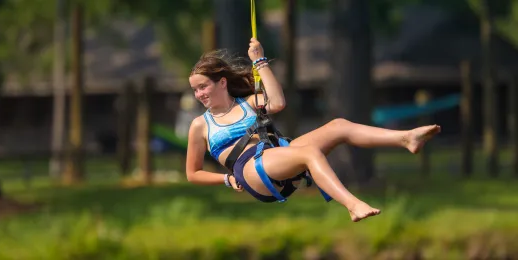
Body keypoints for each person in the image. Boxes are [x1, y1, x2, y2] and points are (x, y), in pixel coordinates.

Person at [185, 38, 441, 222]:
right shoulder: (200, 125)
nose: (199, 95)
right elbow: (192, 173)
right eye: (195, 90)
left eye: (203, 87)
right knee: (309, 152)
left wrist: (260, 61)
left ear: (222, 82)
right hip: (252, 172)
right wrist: (226, 179)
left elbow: (278, 103)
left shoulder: (248, 103)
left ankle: (406, 138)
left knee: (339, 126)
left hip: (278, 157)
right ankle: (352, 205)